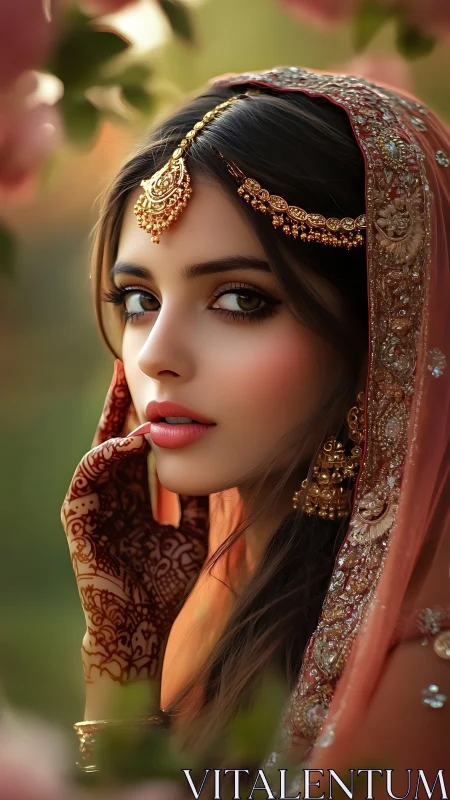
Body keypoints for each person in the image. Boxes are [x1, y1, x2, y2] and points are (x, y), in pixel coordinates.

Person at [61, 66, 450, 782]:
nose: (157, 355)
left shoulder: (425, 671)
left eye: (240, 300)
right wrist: (127, 650)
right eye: (139, 298)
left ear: (383, 334)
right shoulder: (218, 611)